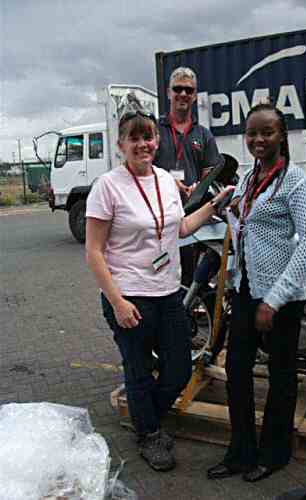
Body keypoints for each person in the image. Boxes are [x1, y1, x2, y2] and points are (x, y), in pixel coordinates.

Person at [85, 109, 233, 473]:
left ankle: (144, 413)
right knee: (137, 370)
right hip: (129, 295)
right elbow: (93, 252)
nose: (143, 144)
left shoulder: (166, 179)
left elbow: (180, 228)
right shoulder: (107, 186)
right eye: (134, 138)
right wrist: (117, 301)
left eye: (148, 137)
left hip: (168, 292)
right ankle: (149, 434)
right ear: (121, 145)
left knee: (179, 369)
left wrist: (215, 205)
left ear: (157, 141)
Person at [207, 103, 306, 482]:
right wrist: (223, 208)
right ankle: (241, 452)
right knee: (236, 370)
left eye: (267, 132)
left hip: (283, 298)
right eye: (252, 133)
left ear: (282, 135)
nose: (258, 140)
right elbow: (246, 226)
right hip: (245, 289)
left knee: (281, 375)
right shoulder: (247, 178)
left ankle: (274, 454)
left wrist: (275, 298)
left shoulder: (294, 181)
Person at [154, 66, 224, 285]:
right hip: (159, 213)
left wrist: (200, 187)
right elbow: (142, 169)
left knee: (190, 270)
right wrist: (168, 181)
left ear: (194, 95)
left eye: (188, 90)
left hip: (191, 213)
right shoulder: (155, 130)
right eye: (178, 89)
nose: (183, 94)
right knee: (160, 267)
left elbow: (211, 173)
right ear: (168, 93)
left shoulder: (203, 134)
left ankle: (188, 312)